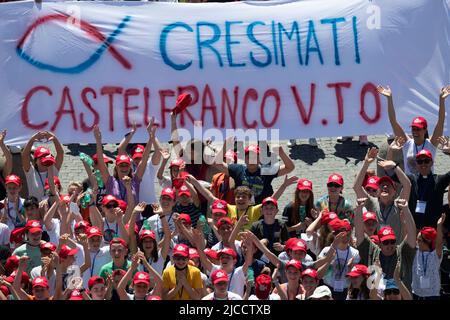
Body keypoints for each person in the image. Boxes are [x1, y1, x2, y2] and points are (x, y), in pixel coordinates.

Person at [377, 85, 450, 175]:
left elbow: (441, 121)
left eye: (418, 129)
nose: (415, 132)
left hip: (427, 185)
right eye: (413, 129)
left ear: (425, 130)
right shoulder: (407, 143)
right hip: (410, 186)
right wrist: (389, 99)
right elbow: (393, 121)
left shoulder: (431, 144)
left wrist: (442, 100)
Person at [355, 198, 416, 290]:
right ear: (379, 243)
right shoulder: (372, 250)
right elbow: (359, 232)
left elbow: (411, 233)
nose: (390, 245)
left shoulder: (402, 251)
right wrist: (359, 209)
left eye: (392, 241)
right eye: (386, 242)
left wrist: (406, 210)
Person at [353, 147, 411, 242]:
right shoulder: (371, 202)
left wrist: (395, 167)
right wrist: (366, 163)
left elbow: (407, 185)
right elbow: (357, 187)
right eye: (382, 185)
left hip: (395, 250)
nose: (385, 187)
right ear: (378, 191)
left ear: (395, 192)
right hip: (376, 250)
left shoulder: (399, 204)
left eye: (388, 185)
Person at [93, 121, 155, 204]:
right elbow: (100, 161)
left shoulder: (135, 180)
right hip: (115, 216)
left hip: (134, 217)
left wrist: (151, 139)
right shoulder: (110, 181)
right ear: (116, 167)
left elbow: (144, 159)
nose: (124, 167)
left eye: (126, 165)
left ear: (130, 168)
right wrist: (98, 141)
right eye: (121, 165)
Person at [215, 140, 295, 204]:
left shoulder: (266, 171)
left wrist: (281, 153)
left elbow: (290, 168)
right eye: (249, 157)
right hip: (242, 210)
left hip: (263, 213)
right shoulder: (238, 169)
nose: (251, 160)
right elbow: (217, 163)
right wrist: (225, 147)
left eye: (255, 157)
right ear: (245, 159)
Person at [316, 219, 360, 300]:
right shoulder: (327, 251)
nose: (345, 237)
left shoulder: (355, 253)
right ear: (335, 235)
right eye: (342, 234)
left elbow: (355, 282)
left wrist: (350, 268)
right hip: (327, 289)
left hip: (345, 290)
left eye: (348, 234)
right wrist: (328, 261)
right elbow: (318, 275)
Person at [407, 149, 450, 229]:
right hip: (415, 228)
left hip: (433, 229)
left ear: (431, 163)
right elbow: (393, 174)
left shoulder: (439, 180)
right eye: (420, 161)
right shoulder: (412, 180)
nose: (423, 164)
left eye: (426, 161)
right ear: (416, 164)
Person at [21, 131, 64, 201]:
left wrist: (55, 139)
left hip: (52, 207)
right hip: (35, 208)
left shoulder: (53, 168)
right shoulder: (30, 171)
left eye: (46, 156)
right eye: (41, 157)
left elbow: (60, 153)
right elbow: (24, 156)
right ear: (35, 160)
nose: (44, 159)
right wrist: (31, 140)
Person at [411, 215, 445, 300]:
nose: (416, 242)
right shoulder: (416, 251)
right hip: (416, 293)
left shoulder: (435, 254)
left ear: (427, 242)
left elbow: (439, 243)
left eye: (419, 240)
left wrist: (439, 226)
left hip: (432, 295)